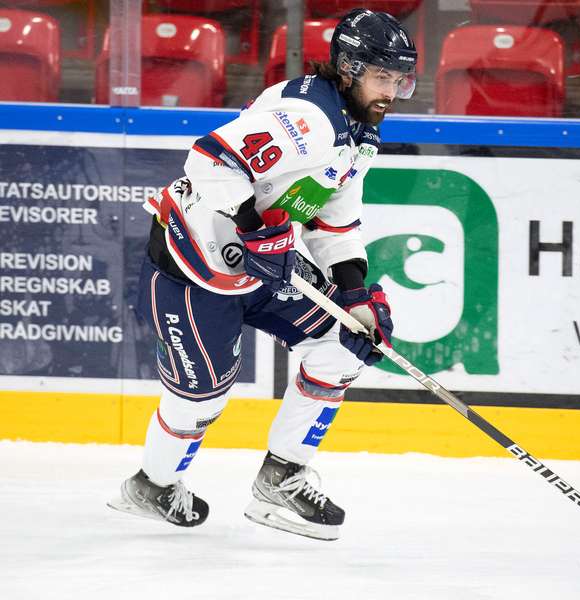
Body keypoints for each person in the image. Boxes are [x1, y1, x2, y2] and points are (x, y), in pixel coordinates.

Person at [107, 8, 417, 541]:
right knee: (202, 396)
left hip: (258, 263)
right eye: (381, 76)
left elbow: (333, 219)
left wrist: (354, 294)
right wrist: (254, 230)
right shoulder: (309, 120)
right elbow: (209, 160)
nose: (391, 90)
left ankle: (282, 477)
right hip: (193, 262)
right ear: (347, 69)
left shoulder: (357, 132)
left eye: (399, 79)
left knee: (343, 341)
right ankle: (151, 486)